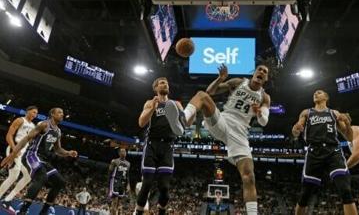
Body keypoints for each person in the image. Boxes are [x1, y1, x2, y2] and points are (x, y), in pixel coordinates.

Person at [165, 64, 271, 215]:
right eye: (259, 69)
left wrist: (259, 113)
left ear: (266, 78)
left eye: (265, 72)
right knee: (202, 95)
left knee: (249, 177)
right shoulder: (239, 82)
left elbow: (263, 122)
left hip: (240, 133)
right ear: (254, 73)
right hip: (223, 121)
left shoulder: (265, 97)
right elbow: (210, 91)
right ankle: (183, 120)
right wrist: (220, 79)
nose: (261, 72)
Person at [1, 107, 78, 215]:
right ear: (52, 114)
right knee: (41, 176)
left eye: (63, 113)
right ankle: (23, 210)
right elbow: (26, 138)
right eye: (60, 112)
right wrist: (12, 155)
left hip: (43, 159)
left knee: (60, 182)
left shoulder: (58, 131)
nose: (62, 115)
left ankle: (44, 212)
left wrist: (68, 153)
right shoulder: (44, 125)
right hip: (31, 155)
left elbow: (57, 149)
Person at [292, 90, 357, 215]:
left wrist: (348, 124)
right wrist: (296, 129)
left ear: (326, 97)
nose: (315, 93)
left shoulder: (334, 113)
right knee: (304, 195)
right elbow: (296, 131)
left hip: (333, 151)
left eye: (319, 92)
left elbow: (349, 137)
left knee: (346, 190)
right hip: (314, 152)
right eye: (314, 93)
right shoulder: (307, 112)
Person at [135, 77, 183, 215]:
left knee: (164, 187)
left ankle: (162, 211)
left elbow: (185, 123)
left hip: (167, 146)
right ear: (155, 88)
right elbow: (141, 123)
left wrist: (184, 117)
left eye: (167, 83)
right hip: (152, 145)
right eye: (162, 83)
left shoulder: (176, 104)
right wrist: (152, 109)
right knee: (147, 183)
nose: (165, 84)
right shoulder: (150, 103)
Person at [0, 106, 37, 212]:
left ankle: (7, 199)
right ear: (27, 111)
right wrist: (14, 149)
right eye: (33, 112)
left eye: (36, 113)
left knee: (29, 176)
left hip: (24, 152)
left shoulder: (33, 125)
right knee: (15, 174)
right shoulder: (20, 120)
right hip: (15, 147)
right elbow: (8, 135)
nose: (35, 114)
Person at [108, 148, 130, 215]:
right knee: (114, 201)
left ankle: (116, 213)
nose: (124, 152)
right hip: (115, 180)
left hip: (123, 183)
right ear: (119, 153)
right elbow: (110, 172)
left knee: (119, 202)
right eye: (122, 151)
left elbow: (127, 175)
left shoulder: (128, 163)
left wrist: (128, 184)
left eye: (125, 151)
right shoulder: (115, 161)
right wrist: (108, 184)